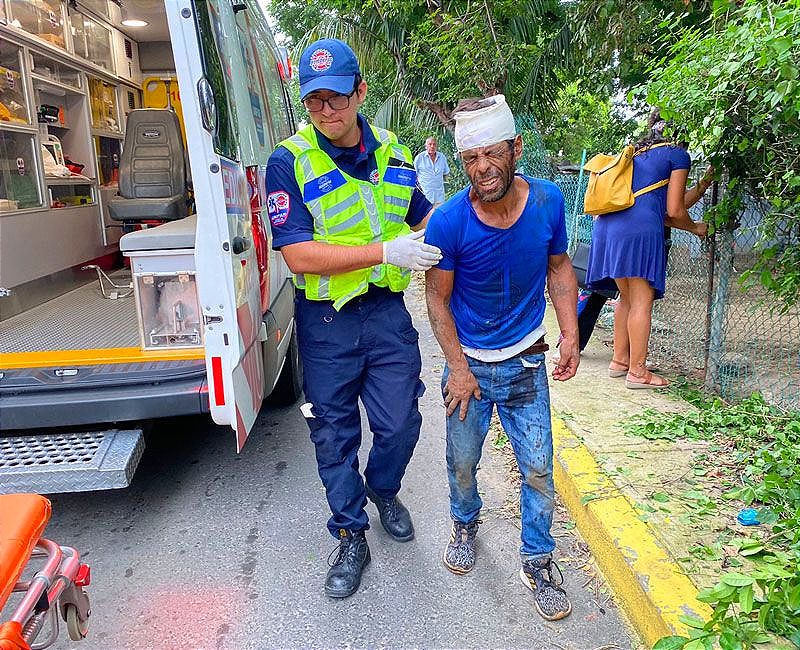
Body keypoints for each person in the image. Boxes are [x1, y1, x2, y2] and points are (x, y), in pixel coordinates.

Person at [265, 38, 442, 599]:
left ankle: (383, 489)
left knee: (400, 424)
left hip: (387, 316)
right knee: (332, 432)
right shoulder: (288, 161)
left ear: (360, 93)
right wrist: (386, 252)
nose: (326, 111)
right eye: (315, 100)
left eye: (337, 98)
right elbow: (296, 254)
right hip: (326, 324)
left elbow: (423, 215)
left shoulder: (393, 149)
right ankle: (349, 533)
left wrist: (452, 237)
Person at [425, 95, 579, 622]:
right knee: (463, 462)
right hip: (467, 367)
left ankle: (537, 561)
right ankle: (465, 521)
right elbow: (436, 299)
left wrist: (570, 334)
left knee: (538, 469)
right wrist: (460, 371)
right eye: (470, 159)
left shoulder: (548, 203)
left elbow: (559, 269)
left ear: (515, 148)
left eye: (492, 154)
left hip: (527, 364)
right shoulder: (447, 222)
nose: (482, 168)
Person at [585, 109, 709, 388]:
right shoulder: (677, 155)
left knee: (626, 298)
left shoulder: (635, 154)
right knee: (642, 300)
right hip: (638, 231)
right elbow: (674, 210)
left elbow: (663, 204)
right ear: (679, 133)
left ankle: (620, 361)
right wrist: (695, 228)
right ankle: (638, 372)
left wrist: (703, 185)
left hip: (608, 228)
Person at [574, 163, 715, 354]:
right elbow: (669, 212)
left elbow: (676, 205)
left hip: (616, 236)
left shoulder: (639, 167)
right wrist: (693, 227)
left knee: (616, 296)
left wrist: (705, 182)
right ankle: (632, 362)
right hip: (635, 240)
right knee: (633, 300)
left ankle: (619, 357)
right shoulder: (654, 169)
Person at [413, 136, 450, 204]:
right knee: (425, 214)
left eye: (434, 144)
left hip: (439, 196)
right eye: (430, 144)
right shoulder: (419, 158)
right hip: (425, 195)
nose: (432, 146)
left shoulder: (442, 157)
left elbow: (446, 173)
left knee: (438, 213)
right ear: (426, 146)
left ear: (437, 146)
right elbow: (414, 175)